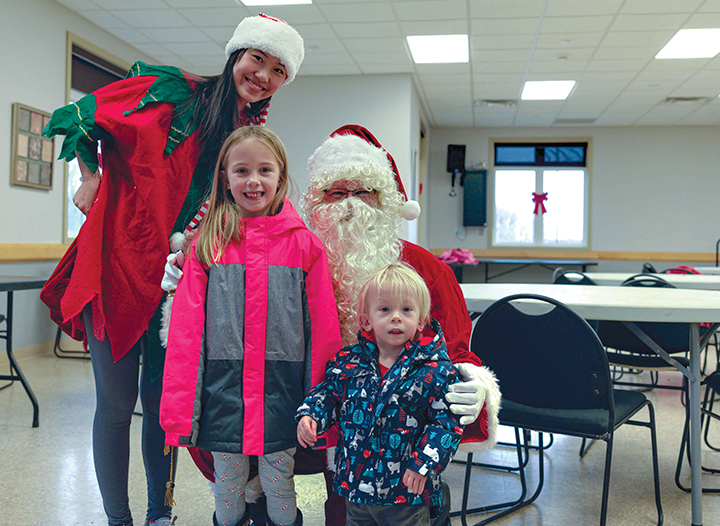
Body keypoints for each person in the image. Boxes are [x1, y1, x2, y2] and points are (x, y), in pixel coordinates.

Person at [40, 14, 305, 526]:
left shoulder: (248, 135)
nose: (263, 75)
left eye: (278, 70)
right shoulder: (171, 92)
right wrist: (89, 174)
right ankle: (119, 520)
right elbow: (76, 115)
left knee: (165, 413)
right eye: (257, 59)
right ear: (237, 55)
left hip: (176, 287)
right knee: (115, 407)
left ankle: (159, 515)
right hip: (114, 269)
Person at [299, 125, 502, 525]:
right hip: (338, 427)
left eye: (363, 192)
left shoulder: (425, 268)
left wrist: (473, 383)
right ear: (317, 202)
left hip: (408, 436)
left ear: (385, 200)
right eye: (336, 193)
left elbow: (457, 348)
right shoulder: (300, 260)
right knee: (342, 506)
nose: (350, 205)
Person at [159, 126, 342, 526]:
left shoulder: (305, 246)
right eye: (241, 171)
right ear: (225, 178)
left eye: (264, 170)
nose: (253, 180)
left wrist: (321, 405)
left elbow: (323, 333)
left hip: (283, 396)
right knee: (227, 488)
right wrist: (179, 414)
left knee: (280, 485)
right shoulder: (209, 245)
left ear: (280, 176)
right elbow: (186, 336)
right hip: (223, 395)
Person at [296, 262, 464, 526]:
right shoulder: (347, 363)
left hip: (407, 492)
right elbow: (329, 394)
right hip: (356, 488)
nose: (396, 317)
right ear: (366, 319)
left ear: (421, 320)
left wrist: (423, 464)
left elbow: (446, 424)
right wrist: (311, 415)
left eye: (406, 310)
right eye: (385, 309)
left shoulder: (436, 371)